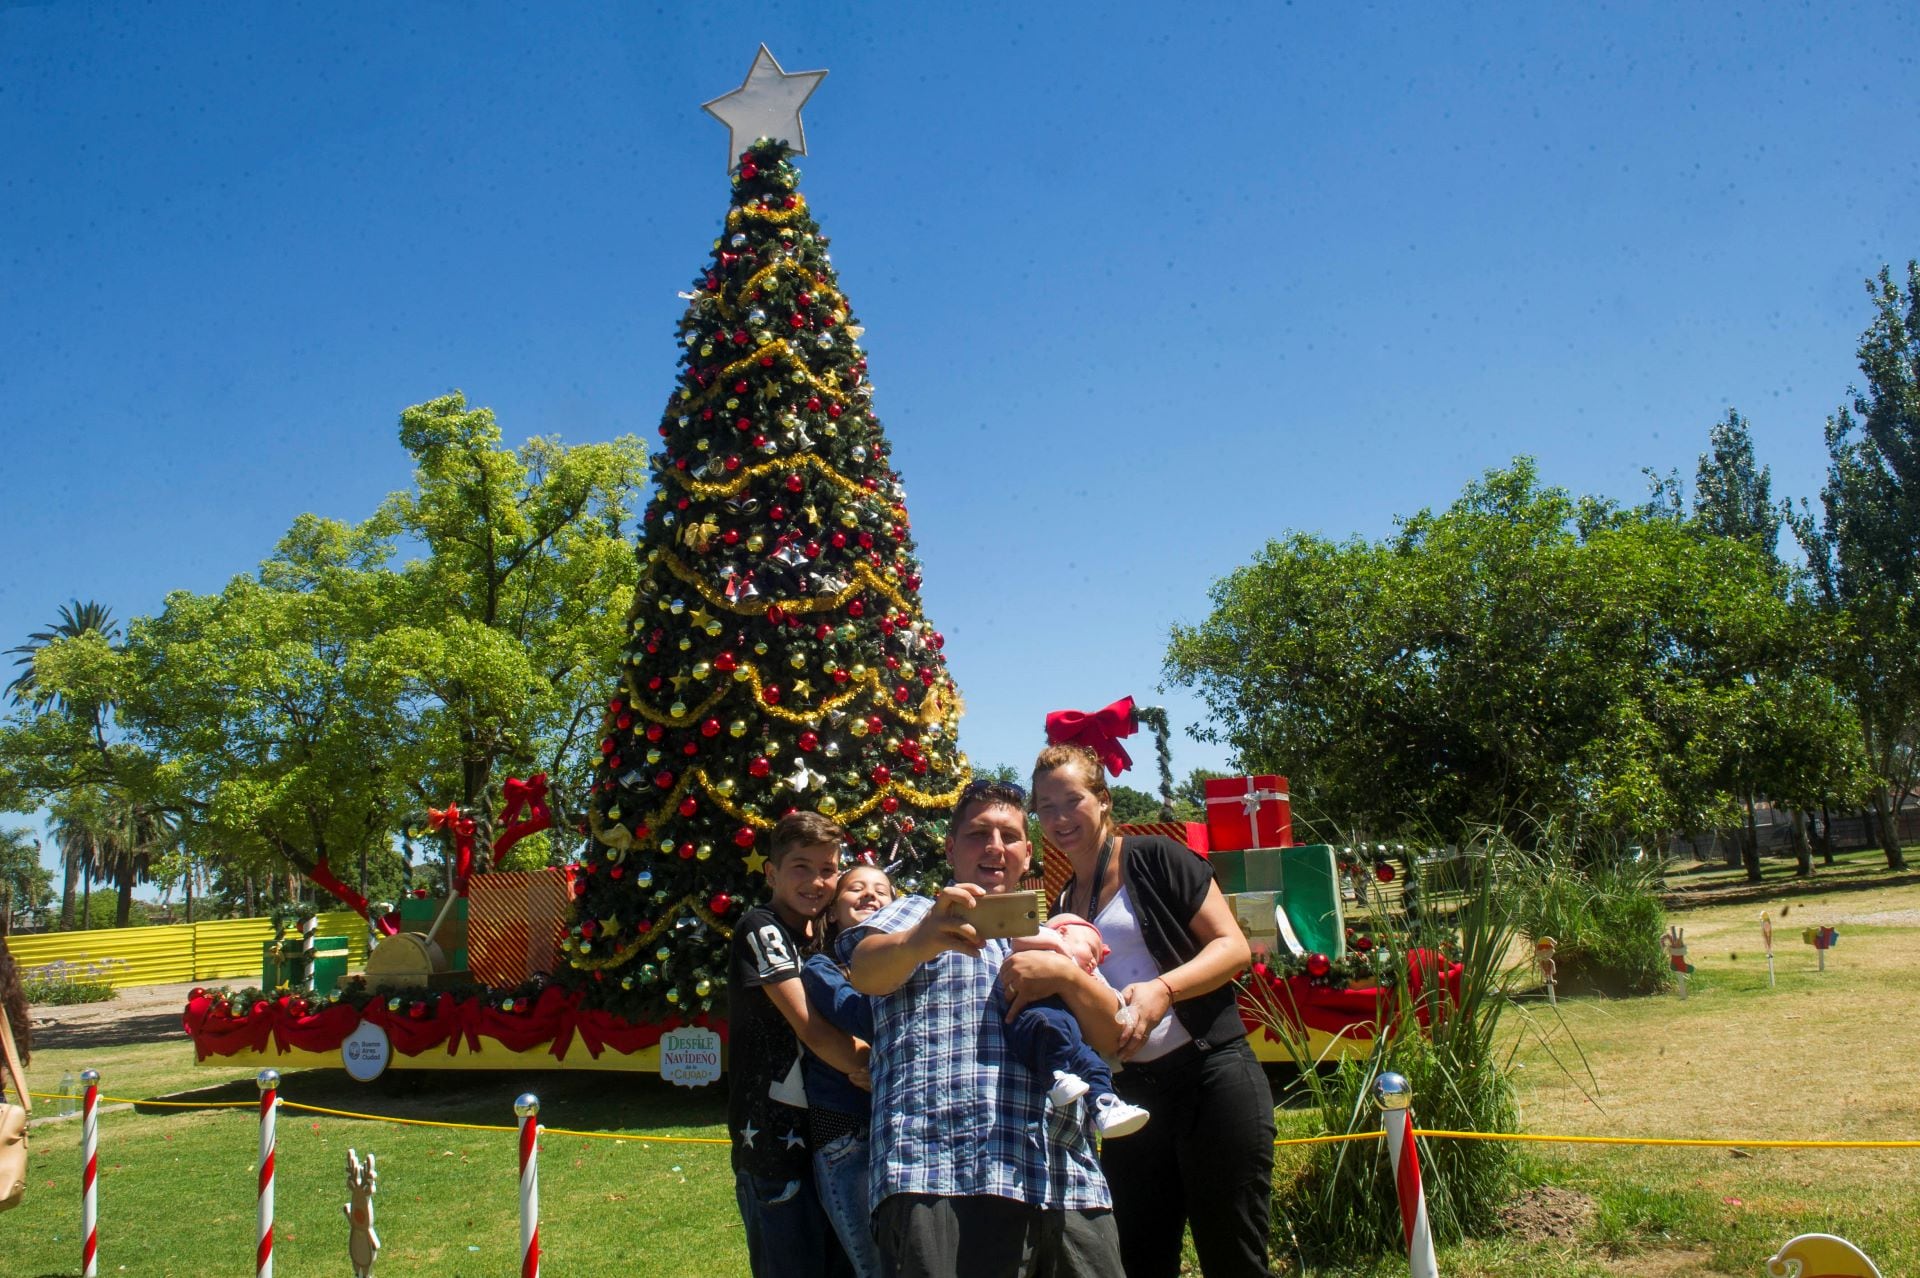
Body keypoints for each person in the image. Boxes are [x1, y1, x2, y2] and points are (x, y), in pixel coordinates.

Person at [847, 778, 1125, 1278]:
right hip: (936, 1168)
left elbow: (1114, 1039)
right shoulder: (911, 913)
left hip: (1062, 1175)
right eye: (978, 833)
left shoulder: (1058, 933)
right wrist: (921, 940)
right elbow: (865, 972)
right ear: (951, 847)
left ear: (1026, 853)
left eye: (1010, 835)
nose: (995, 847)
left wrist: (1066, 975)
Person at [1022, 743, 1277, 1278]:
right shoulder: (1068, 900)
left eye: (1072, 800)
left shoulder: (1156, 857)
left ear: (1104, 800)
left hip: (1212, 1076)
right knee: (1139, 1255)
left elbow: (1232, 948)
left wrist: (1164, 988)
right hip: (1134, 1096)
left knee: (1234, 1255)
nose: (1060, 818)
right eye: (1046, 807)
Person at [729, 811, 870, 1278]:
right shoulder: (761, 927)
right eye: (801, 868)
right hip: (773, 1147)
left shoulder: (827, 933)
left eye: (828, 870)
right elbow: (810, 1027)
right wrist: (875, 1067)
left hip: (828, 1140)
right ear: (772, 872)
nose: (816, 881)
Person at [800, 863, 896, 1278]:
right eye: (855, 888)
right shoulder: (822, 968)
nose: (870, 895)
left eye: (882, 890)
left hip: (900, 1129)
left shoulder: (913, 965)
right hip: (847, 1134)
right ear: (834, 911)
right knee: (874, 1264)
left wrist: (879, 1064)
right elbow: (860, 1016)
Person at [1004, 911, 1149, 1137]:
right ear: (1062, 932)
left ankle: (1103, 1108)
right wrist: (1060, 951)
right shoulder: (1044, 943)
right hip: (1040, 1020)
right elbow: (1019, 939)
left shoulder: (1084, 973)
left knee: (1096, 1065)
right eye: (1092, 950)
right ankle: (1054, 1077)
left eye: (1098, 959)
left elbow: (1110, 1000)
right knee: (1051, 1032)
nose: (1094, 961)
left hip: (1071, 1033)